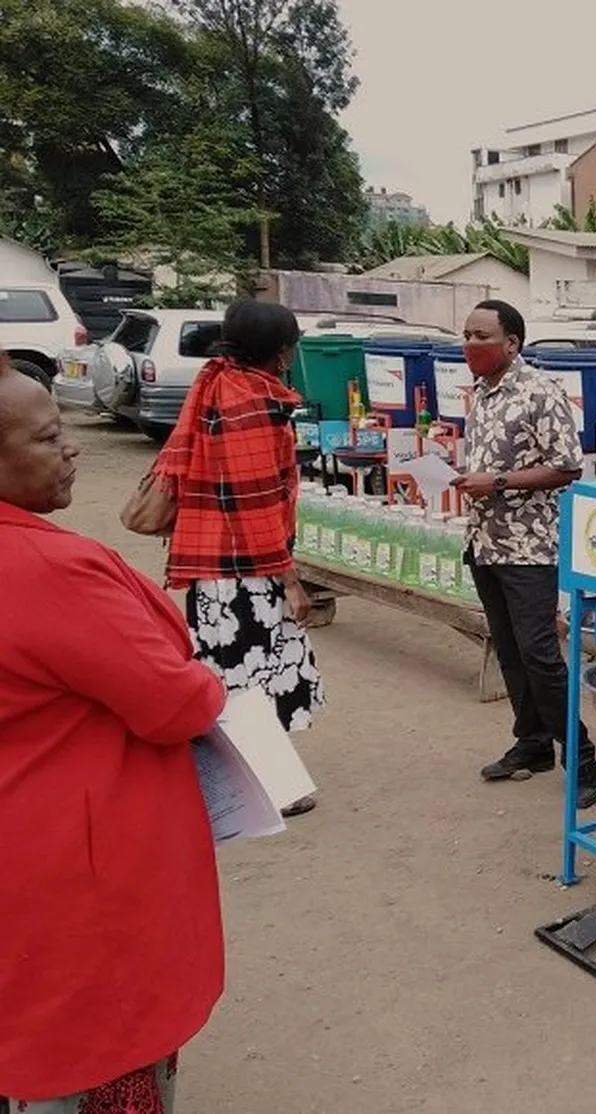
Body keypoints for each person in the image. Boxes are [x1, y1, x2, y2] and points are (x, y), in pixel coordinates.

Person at [0, 357, 227, 1111]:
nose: (72, 449)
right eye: (49, 436)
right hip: (68, 870)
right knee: (91, 1042)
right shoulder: (45, 570)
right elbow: (177, 701)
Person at [157, 299, 324, 817]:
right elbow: (254, 508)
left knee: (229, 675)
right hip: (243, 570)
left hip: (215, 565)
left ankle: (242, 780)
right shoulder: (252, 407)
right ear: (280, 352)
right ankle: (271, 789)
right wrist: (292, 582)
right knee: (254, 679)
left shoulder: (217, 380)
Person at [451, 299, 596, 809]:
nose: (469, 344)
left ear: (511, 343)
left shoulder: (540, 392)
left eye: (481, 336)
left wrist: (494, 481)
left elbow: (567, 467)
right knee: (510, 651)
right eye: (466, 335)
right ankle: (533, 743)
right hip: (484, 539)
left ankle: (581, 756)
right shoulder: (483, 393)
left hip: (528, 546)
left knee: (539, 653)